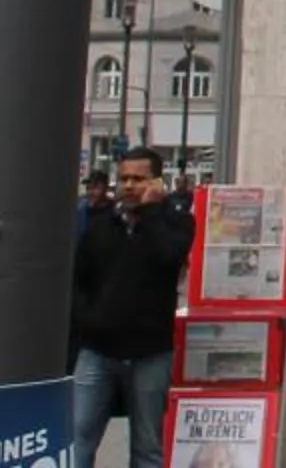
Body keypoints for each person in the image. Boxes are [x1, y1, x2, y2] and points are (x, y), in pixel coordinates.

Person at [72, 145, 194, 468]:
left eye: (138, 179)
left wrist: (151, 213)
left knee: (147, 446)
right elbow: (80, 280)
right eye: (124, 178)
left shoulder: (177, 222)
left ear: (156, 182)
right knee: (78, 440)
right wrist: (89, 321)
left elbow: (169, 257)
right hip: (98, 350)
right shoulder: (100, 225)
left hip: (149, 353)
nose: (128, 185)